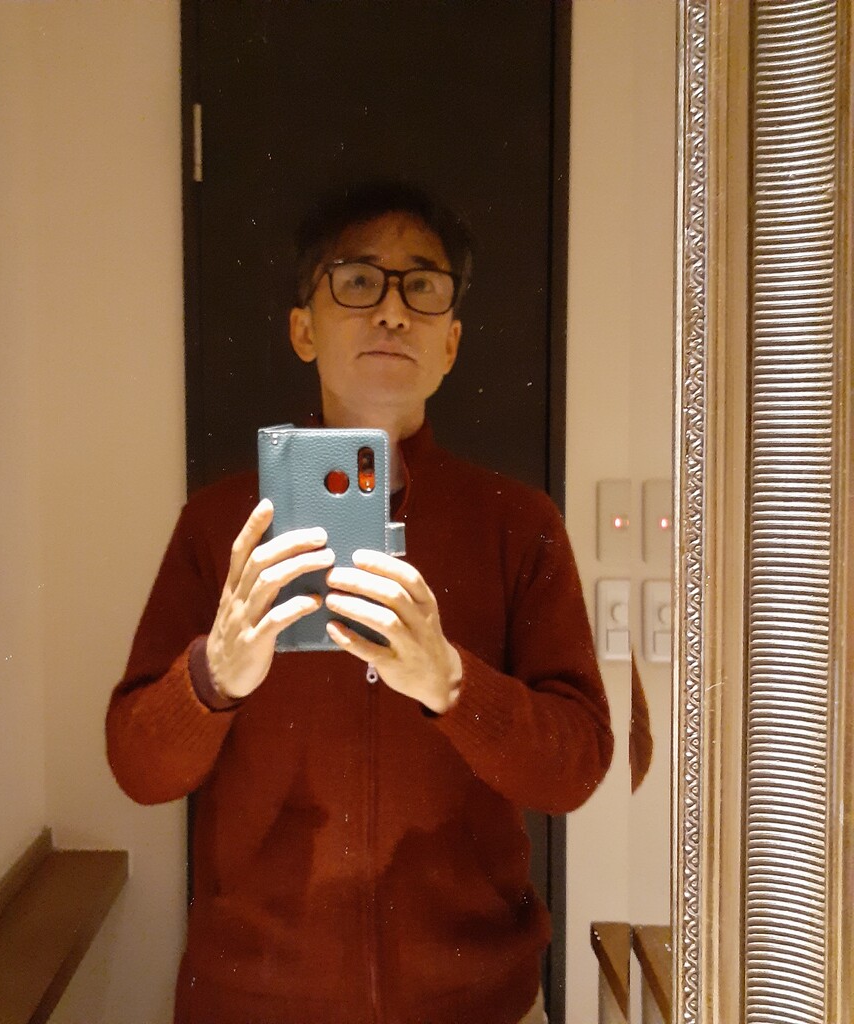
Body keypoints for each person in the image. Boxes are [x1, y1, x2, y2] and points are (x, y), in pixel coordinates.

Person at [106, 180, 613, 1024]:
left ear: (451, 343)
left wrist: (453, 684)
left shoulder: (517, 524)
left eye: (423, 286)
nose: (392, 311)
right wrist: (212, 677)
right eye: (357, 280)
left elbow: (578, 766)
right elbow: (136, 767)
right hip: (253, 1004)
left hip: (478, 1005)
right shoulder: (221, 524)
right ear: (304, 329)